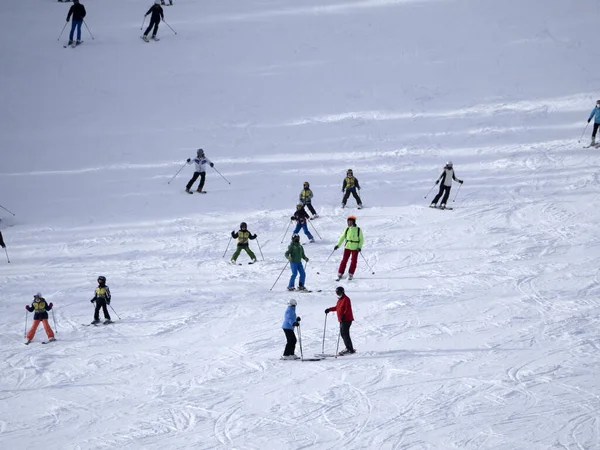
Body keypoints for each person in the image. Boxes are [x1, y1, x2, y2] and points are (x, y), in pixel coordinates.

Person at [325, 286, 355, 355]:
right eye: (337, 293)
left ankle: (349, 349)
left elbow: (347, 309)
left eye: (339, 293)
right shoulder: (340, 300)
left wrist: (343, 315)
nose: (338, 294)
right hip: (342, 320)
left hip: (346, 319)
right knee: (343, 334)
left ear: (342, 292)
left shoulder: (346, 299)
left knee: (345, 334)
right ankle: (349, 348)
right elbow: (337, 308)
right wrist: (329, 309)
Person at [334, 215, 364, 281]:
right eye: (348, 222)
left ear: (354, 222)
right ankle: (340, 273)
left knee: (353, 261)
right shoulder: (347, 229)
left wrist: (359, 247)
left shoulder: (358, 229)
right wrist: (338, 245)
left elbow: (361, 239)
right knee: (344, 260)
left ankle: (351, 273)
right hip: (347, 247)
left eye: (351, 222)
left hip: (355, 248)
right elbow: (342, 237)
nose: (349, 223)